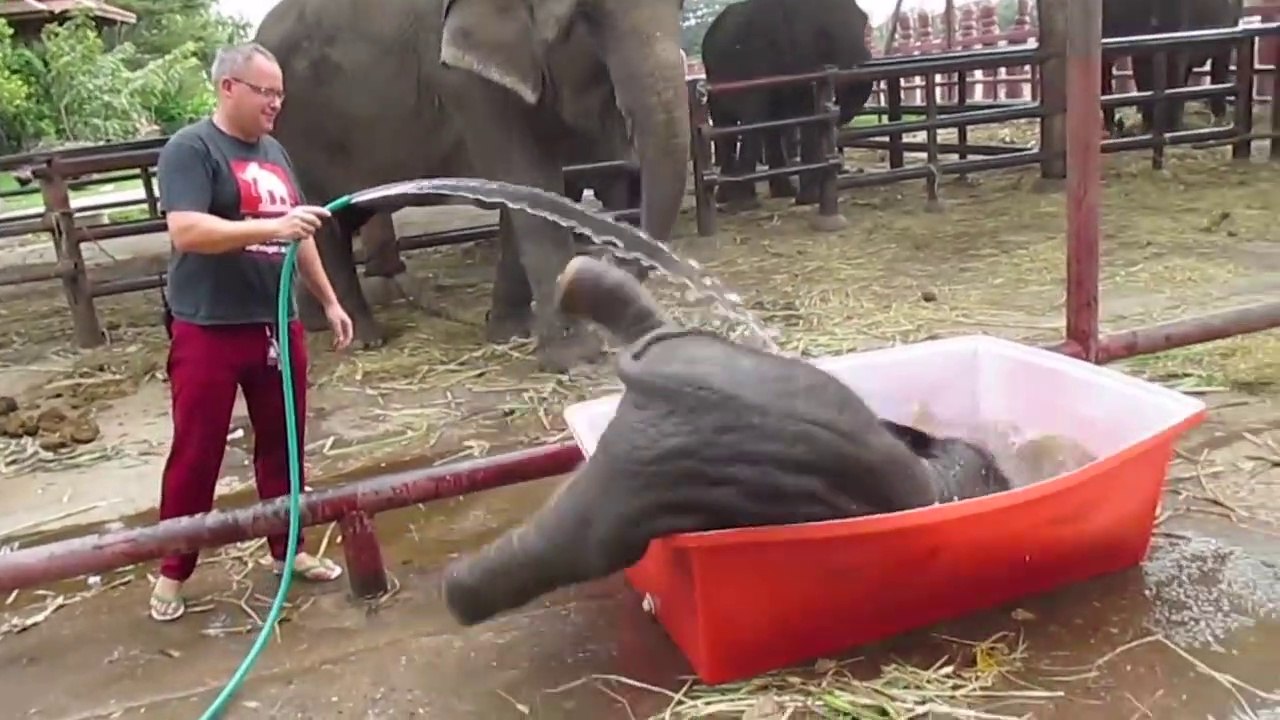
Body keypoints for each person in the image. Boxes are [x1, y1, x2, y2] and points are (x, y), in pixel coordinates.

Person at [149, 41, 355, 622]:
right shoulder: (191, 150)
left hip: (276, 322)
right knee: (198, 448)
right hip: (211, 326)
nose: (275, 104)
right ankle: (173, 569)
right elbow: (186, 230)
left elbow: (301, 232)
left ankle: (287, 550)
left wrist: (329, 301)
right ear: (228, 87)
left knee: (284, 441)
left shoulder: (275, 153)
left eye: (280, 94)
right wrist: (267, 225)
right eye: (265, 92)